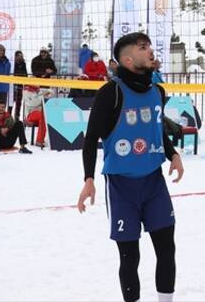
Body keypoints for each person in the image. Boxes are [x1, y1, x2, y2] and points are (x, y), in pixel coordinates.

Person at [77, 32, 184, 302]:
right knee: (130, 256)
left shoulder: (157, 91)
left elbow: (156, 131)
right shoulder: (110, 93)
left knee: (166, 250)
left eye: (149, 45)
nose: (150, 51)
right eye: (143, 47)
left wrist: (173, 154)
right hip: (121, 186)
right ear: (126, 59)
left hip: (153, 183)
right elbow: (90, 139)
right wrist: (88, 179)